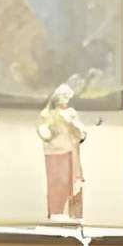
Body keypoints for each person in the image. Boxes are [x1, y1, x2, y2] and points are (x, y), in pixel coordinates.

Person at [37, 77, 88, 220]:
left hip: (71, 154)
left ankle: (74, 217)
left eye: (66, 98)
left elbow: (81, 134)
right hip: (55, 155)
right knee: (57, 185)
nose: (64, 101)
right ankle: (57, 215)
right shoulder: (47, 115)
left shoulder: (70, 114)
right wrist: (54, 127)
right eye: (62, 97)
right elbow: (44, 133)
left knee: (74, 186)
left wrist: (69, 124)